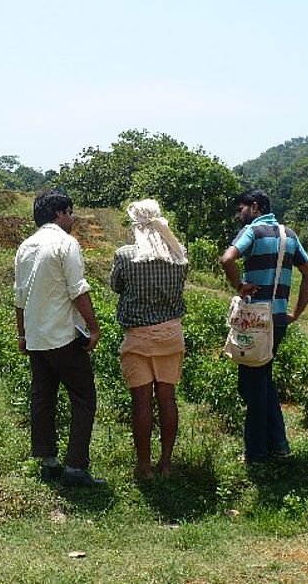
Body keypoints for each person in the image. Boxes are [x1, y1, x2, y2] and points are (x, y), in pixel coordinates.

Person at [14, 190, 106, 487]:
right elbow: (78, 289)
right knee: (84, 398)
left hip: (37, 337)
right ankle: (75, 468)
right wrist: (94, 328)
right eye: (70, 212)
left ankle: (48, 463)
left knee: (43, 398)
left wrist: (22, 335)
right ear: (59, 213)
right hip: (63, 336)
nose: (73, 218)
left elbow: (19, 298)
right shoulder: (66, 243)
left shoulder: (25, 247)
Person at [220, 190, 308, 463]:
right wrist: (295, 313)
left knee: (252, 386)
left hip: (254, 320)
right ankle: (280, 445)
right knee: (263, 381)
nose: (239, 216)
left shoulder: (252, 231)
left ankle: (257, 453)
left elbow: (227, 259)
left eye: (241, 210)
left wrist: (239, 286)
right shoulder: (290, 235)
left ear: (255, 207)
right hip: (277, 319)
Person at [110, 199, 188, 481]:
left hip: (138, 338)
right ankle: (166, 464)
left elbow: (116, 286)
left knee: (141, 402)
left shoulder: (125, 255)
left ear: (136, 225)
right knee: (167, 399)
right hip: (170, 334)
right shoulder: (179, 254)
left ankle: (143, 467)